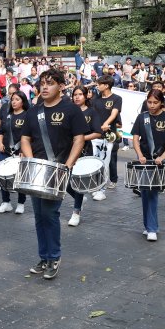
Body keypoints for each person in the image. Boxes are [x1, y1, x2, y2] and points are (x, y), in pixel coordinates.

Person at [21, 69, 87, 280]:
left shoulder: (71, 110)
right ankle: (44, 256)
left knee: (50, 213)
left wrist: (68, 165)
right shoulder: (33, 111)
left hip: (58, 169)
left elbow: (79, 139)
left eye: (50, 83)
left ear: (60, 85)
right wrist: (31, 161)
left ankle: (54, 257)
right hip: (36, 170)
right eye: (42, 83)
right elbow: (25, 139)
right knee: (39, 216)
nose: (45, 87)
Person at [131, 89, 165, 241]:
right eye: (149, 102)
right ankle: (148, 226)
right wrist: (140, 155)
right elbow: (135, 138)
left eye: (155, 102)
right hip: (144, 161)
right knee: (145, 193)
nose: (151, 105)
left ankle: (152, 228)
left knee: (152, 194)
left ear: (161, 103)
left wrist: (163, 156)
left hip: (159, 162)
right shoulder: (141, 117)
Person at [67, 85, 103, 226]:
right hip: (68, 151)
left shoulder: (91, 112)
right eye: (75, 94)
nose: (77, 97)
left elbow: (98, 132)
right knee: (65, 181)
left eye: (80, 94)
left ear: (86, 96)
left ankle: (76, 212)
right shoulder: (68, 111)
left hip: (84, 151)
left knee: (78, 181)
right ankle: (78, 197)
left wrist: (81, 139)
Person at [0, 90, 29, 215]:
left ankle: (21, 203)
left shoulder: (27, 115)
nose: (14, 102)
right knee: (2, 176)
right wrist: (0, 143)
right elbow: (1, 132)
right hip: (5, 152)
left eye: (17, 99)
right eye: (12, 99)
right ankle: (6, 202)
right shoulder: (8, 116)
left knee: (20, 178)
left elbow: (29, 136)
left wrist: (24, 151)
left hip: (20, 152)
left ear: (23, 101)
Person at [91, 75, 121, 200]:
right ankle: (96, 187)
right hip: (95, 135)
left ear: (107, 85)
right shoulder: (95, 100)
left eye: (100, 84)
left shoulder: (116, 98)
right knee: (95, 162)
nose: (97, 85)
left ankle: (102, 190)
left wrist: (106, 123)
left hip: (109, 136)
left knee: (105, 162)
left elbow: (114, 113)